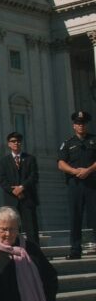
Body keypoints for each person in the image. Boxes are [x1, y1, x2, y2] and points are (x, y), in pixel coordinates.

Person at [57, 110, 96, 260]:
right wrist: (74, 171)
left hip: (92, 184)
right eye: (78, 124)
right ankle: (75, 250)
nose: (81, 126)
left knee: (95, 217)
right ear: (74, 126)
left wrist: (88, 170)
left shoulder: (94, 140)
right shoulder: (67, 143)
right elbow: (61, 163)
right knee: (75, 217)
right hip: (75, 185)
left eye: (83, 124)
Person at [0, 132, 40, 245]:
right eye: (13, 141)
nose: (16, 143)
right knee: (13, 230)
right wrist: (13, 190)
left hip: (28, 199)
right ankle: (15, 253)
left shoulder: (30, 159)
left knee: (32, 230)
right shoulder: (3, 162)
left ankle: (34, 256)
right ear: (9, 144)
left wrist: (22, 187)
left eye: (18, 141)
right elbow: (2, 180)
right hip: (12, 201)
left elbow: (34, 177)